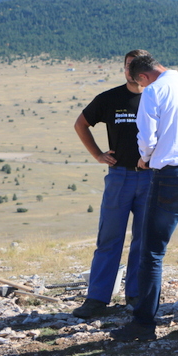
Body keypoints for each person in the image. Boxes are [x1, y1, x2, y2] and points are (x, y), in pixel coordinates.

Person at [111, 55, 178, 341]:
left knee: (152, 251)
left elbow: (146, 137)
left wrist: (145, 159)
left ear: (142, 77)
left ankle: (144, 323)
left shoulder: (154, 91)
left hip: (171, 173)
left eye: (137, 82)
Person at [72, 49, 153, 319]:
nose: (132, 71)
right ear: (124, 69)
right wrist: (97, 154)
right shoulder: (110, 98)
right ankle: (97, 299)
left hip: (151, 177)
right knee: (109, 239)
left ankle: (136, 295)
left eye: (136, 66)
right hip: (120, 176)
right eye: (128, 65)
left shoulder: (159, 98)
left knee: (144, 241)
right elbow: (81, 124)